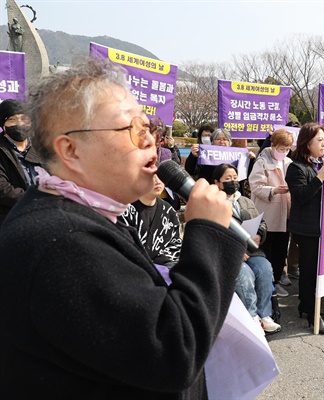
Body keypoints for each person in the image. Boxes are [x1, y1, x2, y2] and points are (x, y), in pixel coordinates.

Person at [0, 59, 247, 399]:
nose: (150, 141)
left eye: (148, 128)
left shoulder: (79, 216)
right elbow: (174, 352)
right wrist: (208, 234)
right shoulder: (61, 242)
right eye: (131, 129)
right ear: (70, 150)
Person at [213, 163, 281, 334]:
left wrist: (259, 234)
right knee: (245, 274)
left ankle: (265, 315)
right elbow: (213, 233)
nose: (232, 182)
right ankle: (251, 316)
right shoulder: (214, 204)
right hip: (229, 254)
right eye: (227, 179)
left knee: (265, 268)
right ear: (218, 183)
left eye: (235, 178)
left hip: (252, 250)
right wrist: (234, 250)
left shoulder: (245, 201)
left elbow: (261, 222)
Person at [286, 122, 324, 335]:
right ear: (307, 143)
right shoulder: (295, 167)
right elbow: (301, 196)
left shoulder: (318, 164)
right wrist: (321, 178)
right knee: (309, 272)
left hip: (322, 226)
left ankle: (308, 307)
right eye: (320, 140)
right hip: (306, 229)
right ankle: (310, 313)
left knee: (318, 271)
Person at [249, 129, 293, 297]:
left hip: (285, 213)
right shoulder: (261, 161)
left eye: (287, 149)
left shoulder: (288, 162)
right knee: (266, 249)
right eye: (281, 148)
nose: (283, 152)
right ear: (273, 145)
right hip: (268, 213)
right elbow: (255, 186)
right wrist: (274, 190)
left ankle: (275, 282)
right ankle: (265, 284)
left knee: (281, 251)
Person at [119, 174, 182, 284]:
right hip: (131, 274)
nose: (158, 182)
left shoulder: (169, 211)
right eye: (152, 178)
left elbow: (175, 244)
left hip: (163, 273)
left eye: (160, 177)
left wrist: (159, 266)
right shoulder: (125, 210)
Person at [0, 99, 42, 226]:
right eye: (12, 120)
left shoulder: (42, 146)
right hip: (11, 219)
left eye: (24, 119)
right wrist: (35, 199)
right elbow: (3, 189)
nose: (19, 124)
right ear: (3, 125)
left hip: (45, 214)